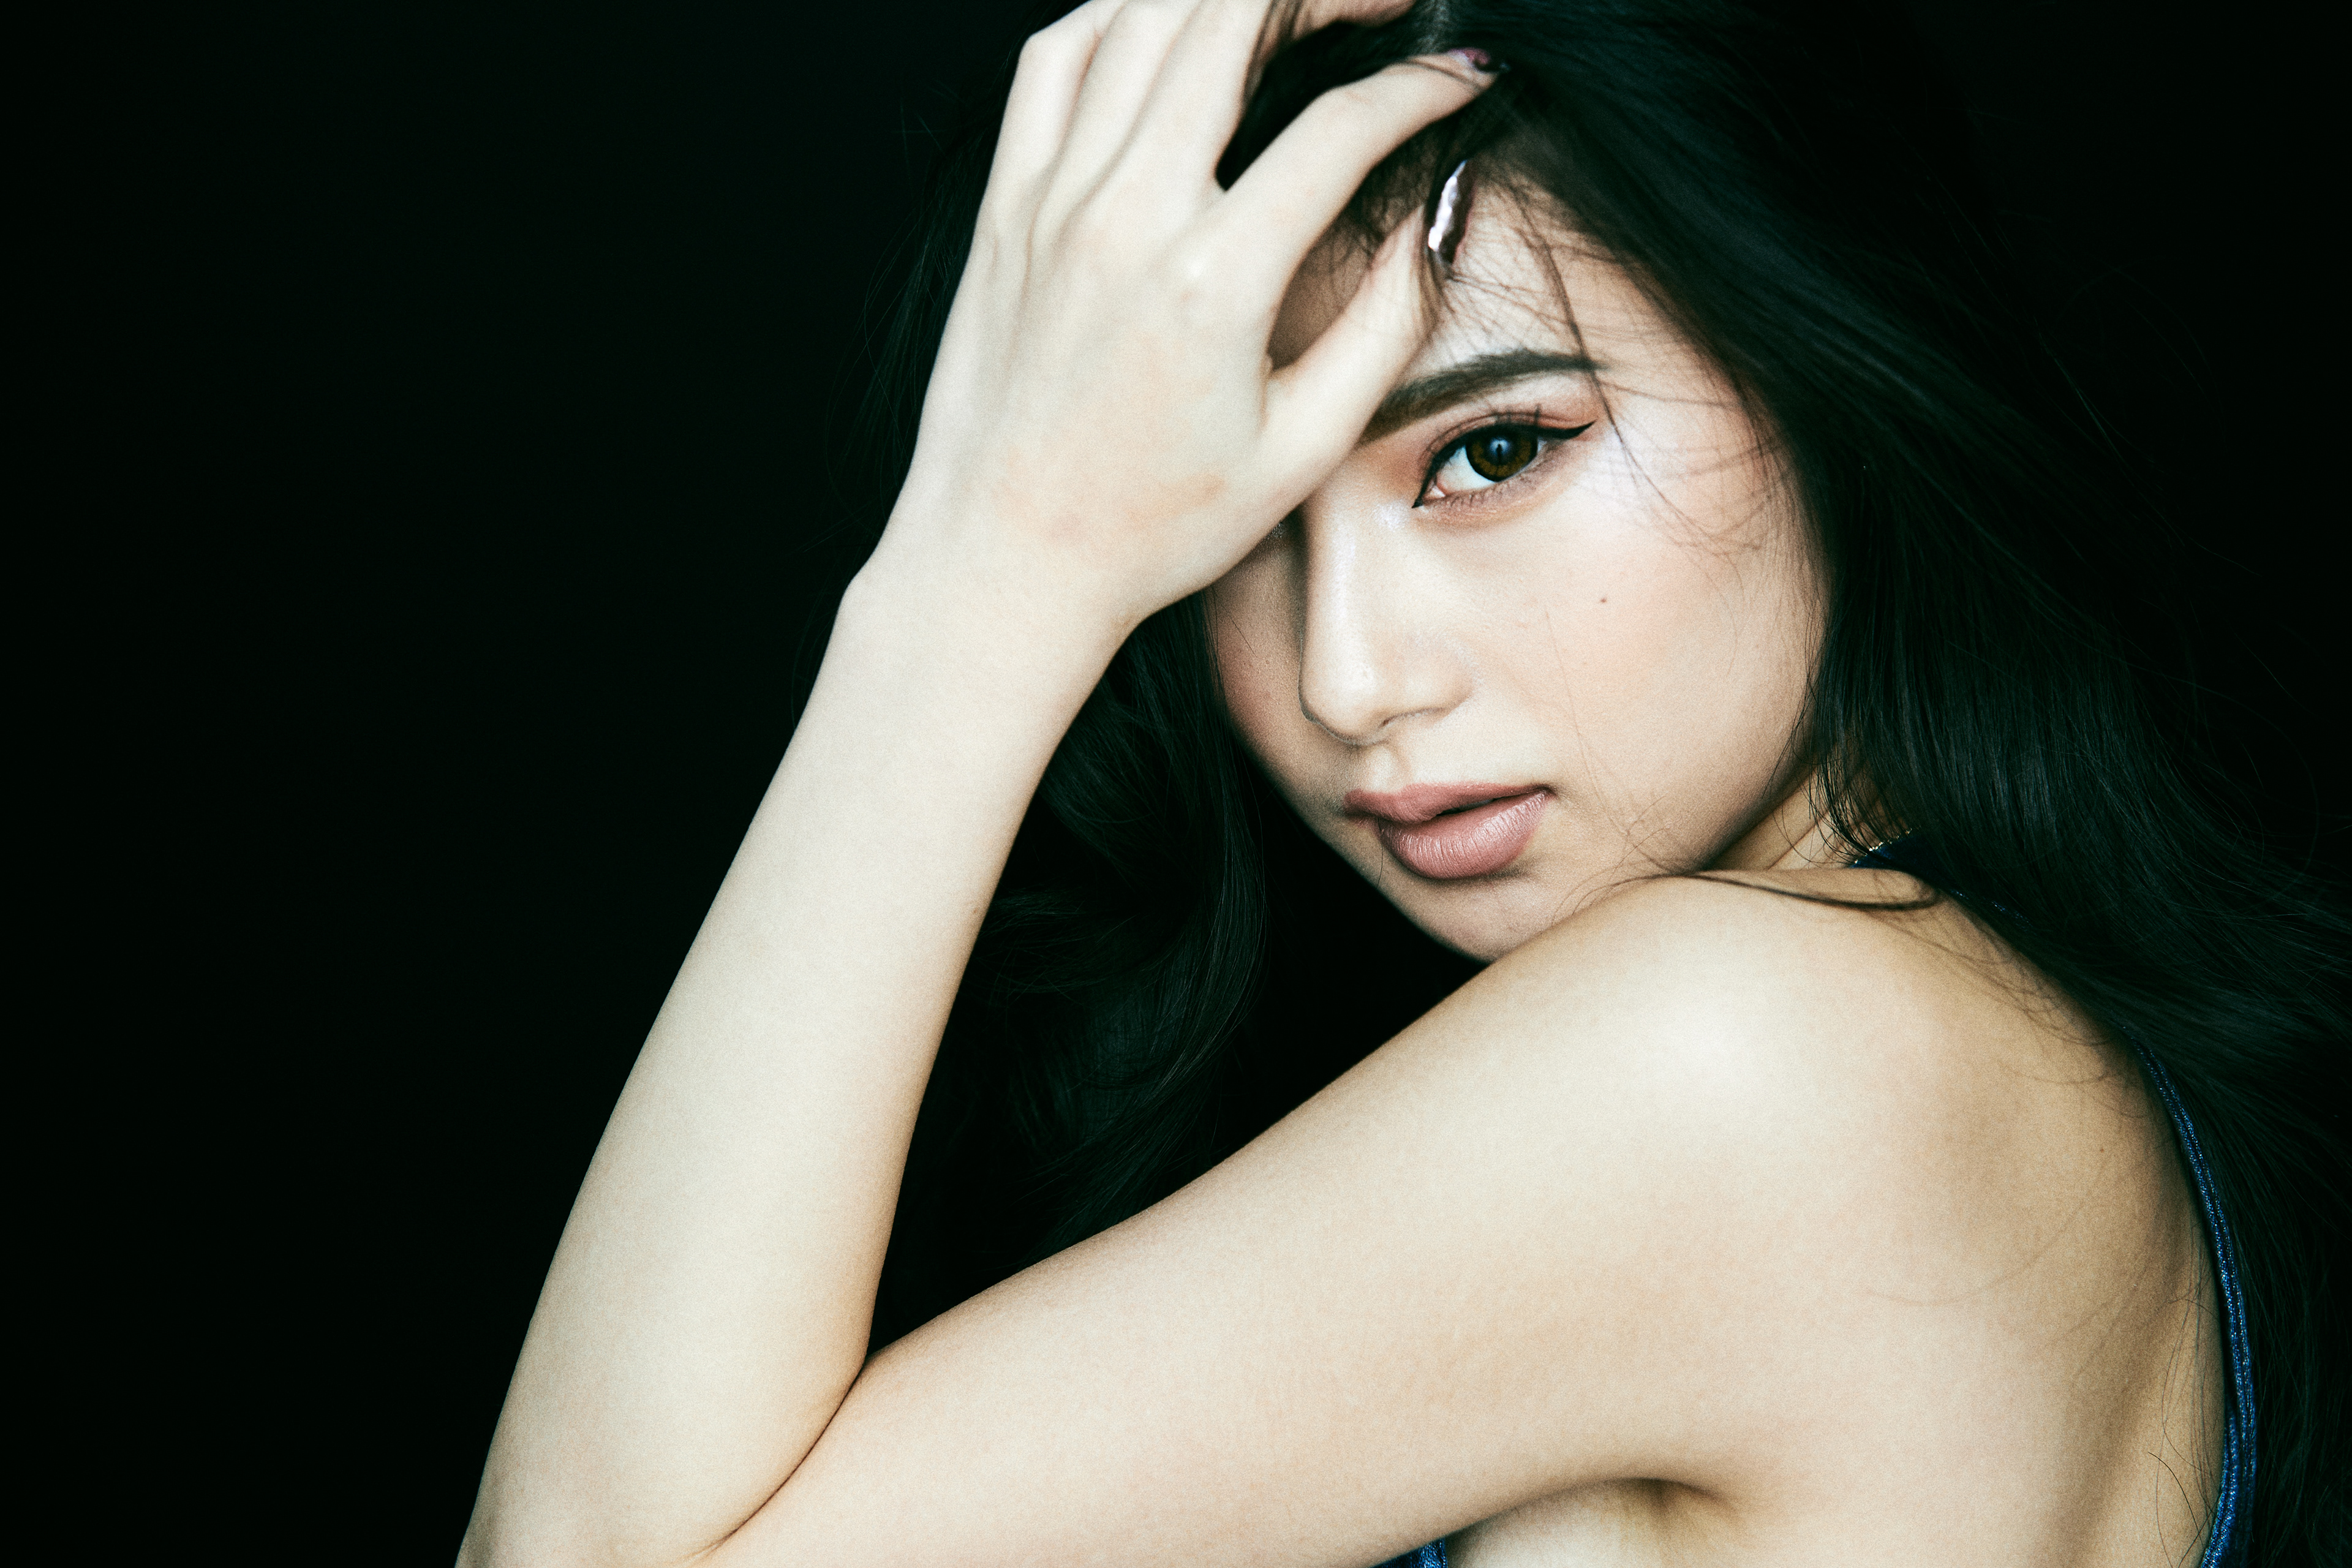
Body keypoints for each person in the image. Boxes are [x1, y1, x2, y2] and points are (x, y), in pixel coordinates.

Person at [458, 2, 2347, 1562]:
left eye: (1497, 449)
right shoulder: (2003, 1051)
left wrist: (981, 571)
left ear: (1831, 371)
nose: (1348, 679)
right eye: (1236, 526)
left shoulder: (1742, 1060)